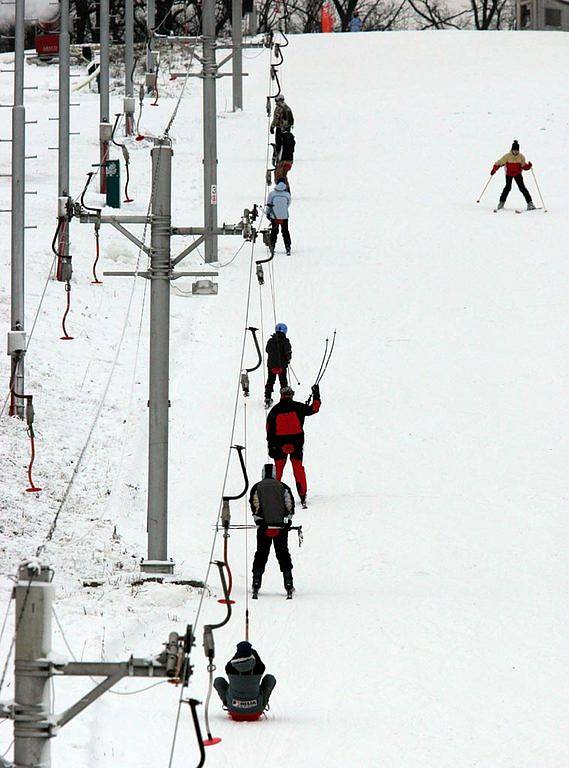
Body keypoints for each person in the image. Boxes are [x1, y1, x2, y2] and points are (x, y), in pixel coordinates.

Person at [266, 385, 321, 506]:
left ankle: (274, 496)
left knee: (278, 470)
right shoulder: (298, 407)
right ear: (291, 395)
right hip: (296, 443)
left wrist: (270, 447)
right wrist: (316, 394)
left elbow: (269, 430)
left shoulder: (274, 411)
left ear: (281, 395)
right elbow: (314, 408)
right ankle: (302, 495)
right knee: (298, 468)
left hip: (278, 445)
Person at [250, 463, 295, 597]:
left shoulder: (256, 487)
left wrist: (260, 521)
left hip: (264, 528)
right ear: (275, 474)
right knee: (283, 554)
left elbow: (255, 506)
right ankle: (288, 582)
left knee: (261, 554)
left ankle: (256, 581)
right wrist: (287, 521)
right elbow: (290, 506)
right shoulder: (283, 487)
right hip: (281, 528)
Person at [214, 641, 276, 721]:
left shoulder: (230, 668)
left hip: (234, 711)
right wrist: (253, 652)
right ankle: (262, 703)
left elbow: (231, 662)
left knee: (218, 680)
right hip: (255, 711)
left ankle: (228, 703)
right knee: (270, 678)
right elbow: (262, 665)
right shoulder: (258, 668)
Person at [491, 140, 536, 211]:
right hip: (509, 173)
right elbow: (499, 163)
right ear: (512, 150)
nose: (516, 152)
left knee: (522, 188)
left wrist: (529, 166)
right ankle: (501, 203)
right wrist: (494, 170)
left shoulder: (521, 157)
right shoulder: (507, 156)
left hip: (518, 173)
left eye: (517, 150)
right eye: (514, 150)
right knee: (508, 187)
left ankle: (530, 204)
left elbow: (524, 166)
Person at [265, 323, 292, 408]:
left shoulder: (270, 341)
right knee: (283, 381)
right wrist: (288, 360)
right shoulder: (286, 341)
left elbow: (267, 350)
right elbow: (288, 352)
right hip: (282, 365)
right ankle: (285, 398)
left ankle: (268, 398)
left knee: (270, 380)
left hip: (271, 365)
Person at [266, 179, 291, 256]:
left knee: (274, 231)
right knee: (285, 231)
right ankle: (288, 247)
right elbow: (288, 204)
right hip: (284, 216)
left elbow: (269, 204)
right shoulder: (287, 194)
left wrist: (268, 213)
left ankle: (272, 246)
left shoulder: (272, 194)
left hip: (274, 216)